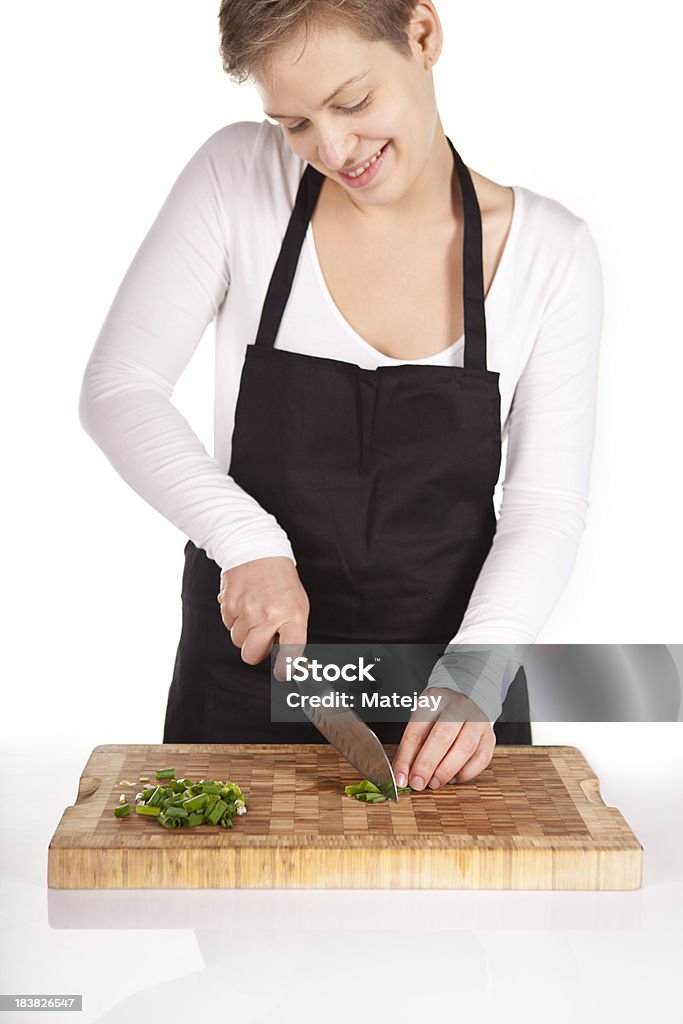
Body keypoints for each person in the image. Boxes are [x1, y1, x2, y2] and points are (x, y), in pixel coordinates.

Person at [79, 0, 603, 792]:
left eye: (351, 102)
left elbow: (545, 504)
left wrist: (479, 667)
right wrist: (246, 542)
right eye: (292, 122)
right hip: (250, 669)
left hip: (447, 682)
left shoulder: (548, 254)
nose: (329, 148)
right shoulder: (238, 176)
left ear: (422, 36)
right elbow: (119, 389)